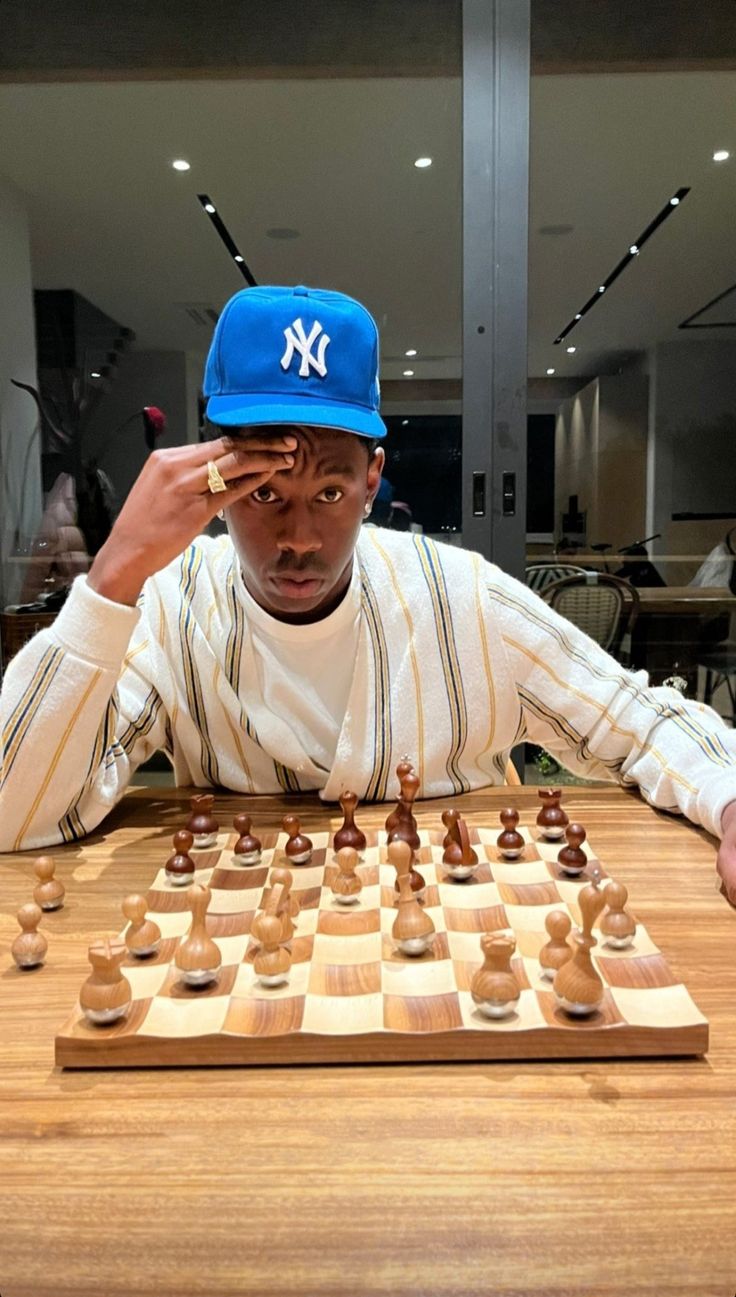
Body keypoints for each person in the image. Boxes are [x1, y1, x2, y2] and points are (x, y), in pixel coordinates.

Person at [1, 284, 735, 902]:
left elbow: (637, 721)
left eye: (328, 489)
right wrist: (115, 573)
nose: (299, 537)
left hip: (455, 957)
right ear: (212, 480)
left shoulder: (462, 599)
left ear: (372, 479)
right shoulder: (169, 606)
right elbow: (14, 811)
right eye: (262, 490)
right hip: (252, 968)